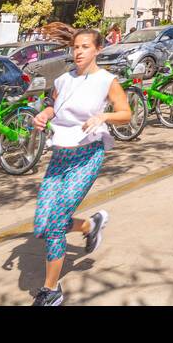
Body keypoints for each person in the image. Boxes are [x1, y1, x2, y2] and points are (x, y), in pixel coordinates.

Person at [29, 28, 132, 306]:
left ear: (97, 49)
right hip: (60, 155)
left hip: (87, 156)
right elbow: (54, 107)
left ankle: (51, 290)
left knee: (54, 226)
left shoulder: (107, 81)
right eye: (76, 47)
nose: (78, 52)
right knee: (42, 225)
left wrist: (104, 116)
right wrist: (43, 114)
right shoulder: (62, 80)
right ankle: (90, 225)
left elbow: (126, 113)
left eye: (85, 47)